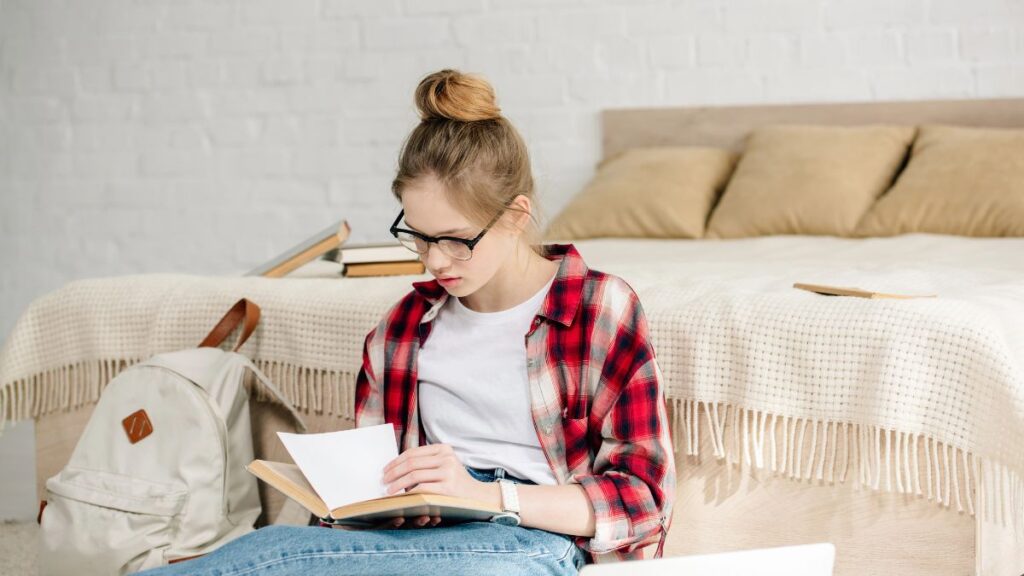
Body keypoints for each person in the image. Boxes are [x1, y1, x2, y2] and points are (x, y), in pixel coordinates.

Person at [134, 68, 675, 576]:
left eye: (456, 239)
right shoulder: (402, 329)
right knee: (258, 553)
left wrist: (486, 495)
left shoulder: (599, 308)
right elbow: (375, 485)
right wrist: (365, 498)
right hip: (415, 535)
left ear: (515, 215)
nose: (434, 261)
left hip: (527, 536)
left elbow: (644, 500)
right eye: (417, 235)